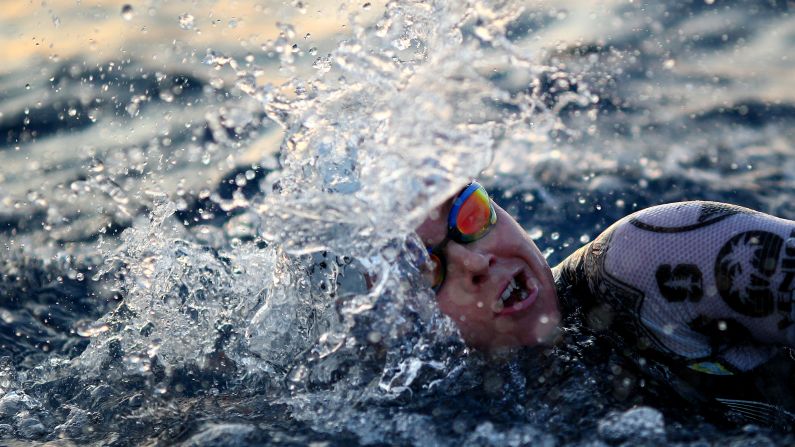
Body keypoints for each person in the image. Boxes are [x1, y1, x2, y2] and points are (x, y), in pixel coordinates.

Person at [416, 180, 795, 427]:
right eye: (426, 270)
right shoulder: (413, 406)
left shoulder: (659, 258)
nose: (477, 261)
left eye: (471, 215)